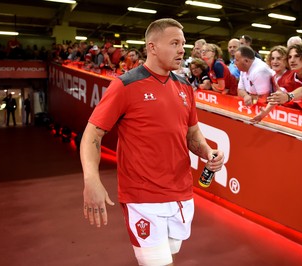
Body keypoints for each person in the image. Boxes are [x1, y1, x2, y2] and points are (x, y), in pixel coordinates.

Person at [80, 18, 224, 266]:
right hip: (142, 196)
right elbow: (92, 134)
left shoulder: (184, 87)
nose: (182, 50)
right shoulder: (125, 85)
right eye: (175, 43)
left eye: (183, 44)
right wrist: (91, 179)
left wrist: (208, 152)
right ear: (152, 47)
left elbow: (192, 134)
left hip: (180, 193)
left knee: (171, 257)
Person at [251, 45, 295, 123]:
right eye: (272, 58)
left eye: (279, 58)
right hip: (280, 114)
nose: (274, 61)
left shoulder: (290, 76)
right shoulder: (273, 76)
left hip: (293, 115)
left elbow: (277, 97)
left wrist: (264, 112)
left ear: (286, 61)